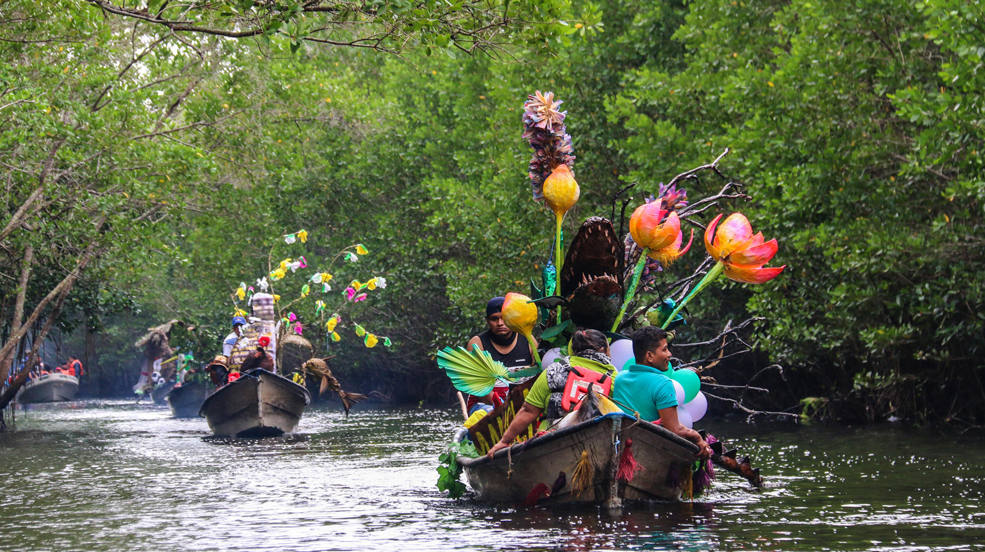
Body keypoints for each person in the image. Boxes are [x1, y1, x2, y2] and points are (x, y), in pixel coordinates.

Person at [486, 329, 616, 458]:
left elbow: (528, 411)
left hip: (549, 443)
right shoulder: (615, 378)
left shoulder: (554, 371)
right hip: (596, 445)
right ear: (603, 349)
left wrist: (504, 441)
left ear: (574, 349)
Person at [611, 326, 711, 458]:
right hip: (647, 452)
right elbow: (675, 429)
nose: (669, 354)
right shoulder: (664, 384)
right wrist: (697, 438)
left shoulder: (620, 377)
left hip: (621, 447)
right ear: (650, 356)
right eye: (664, 349)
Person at [465, 296, 536, 412]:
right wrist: (502, 407)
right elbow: (477, 386)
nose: (500, 323)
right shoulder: (477, 344)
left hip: (522, 404)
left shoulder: (529, 340)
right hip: (485, 405)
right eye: (494, 319)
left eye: (504, 318)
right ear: (487, 320)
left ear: (512, 318)